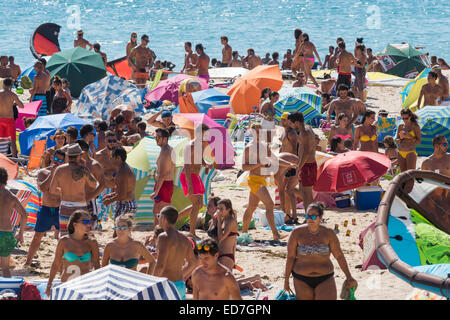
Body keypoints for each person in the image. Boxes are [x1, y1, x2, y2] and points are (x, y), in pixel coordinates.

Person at [284, 202, 357, 300]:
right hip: (301, 279)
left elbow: (339, 256)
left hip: (325, 278)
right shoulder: (297, 233)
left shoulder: (328, 233)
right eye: (308, 216)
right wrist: (286, 280)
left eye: (313, 217)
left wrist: (349, 276)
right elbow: (291, 257)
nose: (310, 219)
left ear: (320, 217)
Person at [241, 123, 296, 241]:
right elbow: (244, 167)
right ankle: (275, 234)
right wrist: (259, 163)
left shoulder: (264, 146)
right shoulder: (249, 147)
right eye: (255, 131)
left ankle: (244, 233)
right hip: (254, 180)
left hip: (262, 180)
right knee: (270, 204)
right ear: (251, 132)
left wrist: (289, 164)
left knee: (251, 207)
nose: (258, 133)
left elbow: (275, 159)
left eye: (259, 131)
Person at [25, 149, 66, 267]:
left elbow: (63, 192)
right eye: (56, 159)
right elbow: (43, 188)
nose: (57, 162)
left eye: (60, 160)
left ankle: (62, 264)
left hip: (60, 209)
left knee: (63, 238)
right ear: (52, 158)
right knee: (37, 236)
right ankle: (28, 261)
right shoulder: (43, 172)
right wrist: (53, 174)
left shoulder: (64, 174)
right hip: (46, 208)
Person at [45, 210, 100, 297]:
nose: (88, 224)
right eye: (85, 221)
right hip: (67, 285)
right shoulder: (64, 241)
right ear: (75, 224)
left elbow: (97, 266)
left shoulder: (92, 242)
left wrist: (98, 286)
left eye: (89, 221)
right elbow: (56, 264)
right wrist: (49, 285)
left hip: (85, 286)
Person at [49, 144, 98, 237]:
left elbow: (52, 190)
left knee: (65, 236)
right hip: (81, 206)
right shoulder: (83, 169)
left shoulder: (60, 169)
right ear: (79, 155)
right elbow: (94, 184)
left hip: (65, 206)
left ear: (68, 156)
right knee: (83, 236)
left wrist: (63, 191)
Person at [154, 206, 198, 300]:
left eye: (159, 216)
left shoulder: (163, 237)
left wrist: (152, 283)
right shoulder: (184, 239)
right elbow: (193, 262)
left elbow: (160, 265)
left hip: (167, 285)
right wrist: (181, 274)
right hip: (180, 285)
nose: (158, 218)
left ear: (164, 218)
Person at [178, 124, 213, 238]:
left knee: (199, 204)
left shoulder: (202, 144)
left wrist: (206, 164)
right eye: (205, 133)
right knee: (196, 204)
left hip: (195, 176)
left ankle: (173, 219)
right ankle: (192, 233)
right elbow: (187, 166)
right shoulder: (191, 145)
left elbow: (200, 159)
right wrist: (189, 185)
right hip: (188, 176)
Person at [0, 167, 27, 277]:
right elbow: (24, 215)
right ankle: (8, 292)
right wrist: (21, 233)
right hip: (6, 234)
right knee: (6, 268)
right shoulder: (11, 197)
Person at [288, 112, 317, 213]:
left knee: (307, 194)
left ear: (296, 122)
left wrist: (298, 167)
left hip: (307, 166)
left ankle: (314, 214)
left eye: (291, 123)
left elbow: (307, 153)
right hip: (306, 165)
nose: (290, 126)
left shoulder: (304, 133)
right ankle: (308, 215)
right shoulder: (307, 129)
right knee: (303, 193)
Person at [103, 146, 137, 227]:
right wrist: (110, 195)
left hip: (126, 205)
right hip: (128, 203)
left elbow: (122, 195)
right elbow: (123, 191)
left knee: (119, 233)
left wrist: (110, 200)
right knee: (121, 233)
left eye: (111, 157)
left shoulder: (122, 171)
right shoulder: (124, 168)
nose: (110, 159)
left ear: (118, 158)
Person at [275, 113, 299, 222]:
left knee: (288, 190)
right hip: (284, 162)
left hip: (290, 162)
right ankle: (285, 212)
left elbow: (295, 149)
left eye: (284, 120)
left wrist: (292, 166)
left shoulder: (292, 133)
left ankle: (291, 214)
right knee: (282, 189)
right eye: (282, 119)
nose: (282, 122)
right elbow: (283, 147)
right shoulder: (284, 131)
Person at [77, 140, 105, 228]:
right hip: (75, 199)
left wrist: (90, 197)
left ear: (83, 151)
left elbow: (102, 184)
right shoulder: (75, 163)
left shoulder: (94, 165)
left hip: (88, 201)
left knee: (89, 228)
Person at [150, 128, 175, 226]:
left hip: (164, 184)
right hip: (164, 184)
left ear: (165, 138)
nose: (156, 139)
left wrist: (156, 192)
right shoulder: (167, 149)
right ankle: (158, 236)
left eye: (158, 137)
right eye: (155, 137)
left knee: (160, 214)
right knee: (159, 213)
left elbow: (163, 174)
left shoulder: (166, 151)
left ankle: (158, 237)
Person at [0, 78, 24, 157]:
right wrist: (14, 103)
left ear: (3, 84)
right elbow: (22, 106)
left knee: (1, 139)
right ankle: (14, 160)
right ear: (11, 85)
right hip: (9, 119)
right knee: (13, 141)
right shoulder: (12, 95)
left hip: (0, 118)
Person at [216, 199, 239, 271]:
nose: (219, 211)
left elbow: (221, 238)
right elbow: (234, 241)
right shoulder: (224, 220)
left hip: (227, 256)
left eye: (222, 209)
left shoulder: (231, 221)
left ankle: (255, 279)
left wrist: (219, 220)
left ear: (228, 210)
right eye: (218, 209)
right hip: (220, 255)